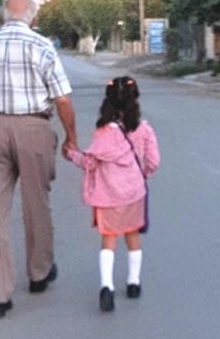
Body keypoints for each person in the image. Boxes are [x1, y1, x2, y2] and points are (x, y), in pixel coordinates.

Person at [0, 0, 78, 319]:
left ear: (2, 18)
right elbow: (62, 100)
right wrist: (70, 139)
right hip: (33, 129)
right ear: (33, 20)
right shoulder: (43, 47)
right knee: (37, 203)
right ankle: (39, 273)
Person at [64, 76, 160, 312]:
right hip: (134, 193)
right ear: (135, 100)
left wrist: (71, 154)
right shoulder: (144, 129)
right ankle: (134, 283)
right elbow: (153, 161)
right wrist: (142, 176)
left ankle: (107, 286)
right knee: (132, 236)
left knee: (108, 240)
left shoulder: (103, 132)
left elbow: (90, 161)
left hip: (108, 195)